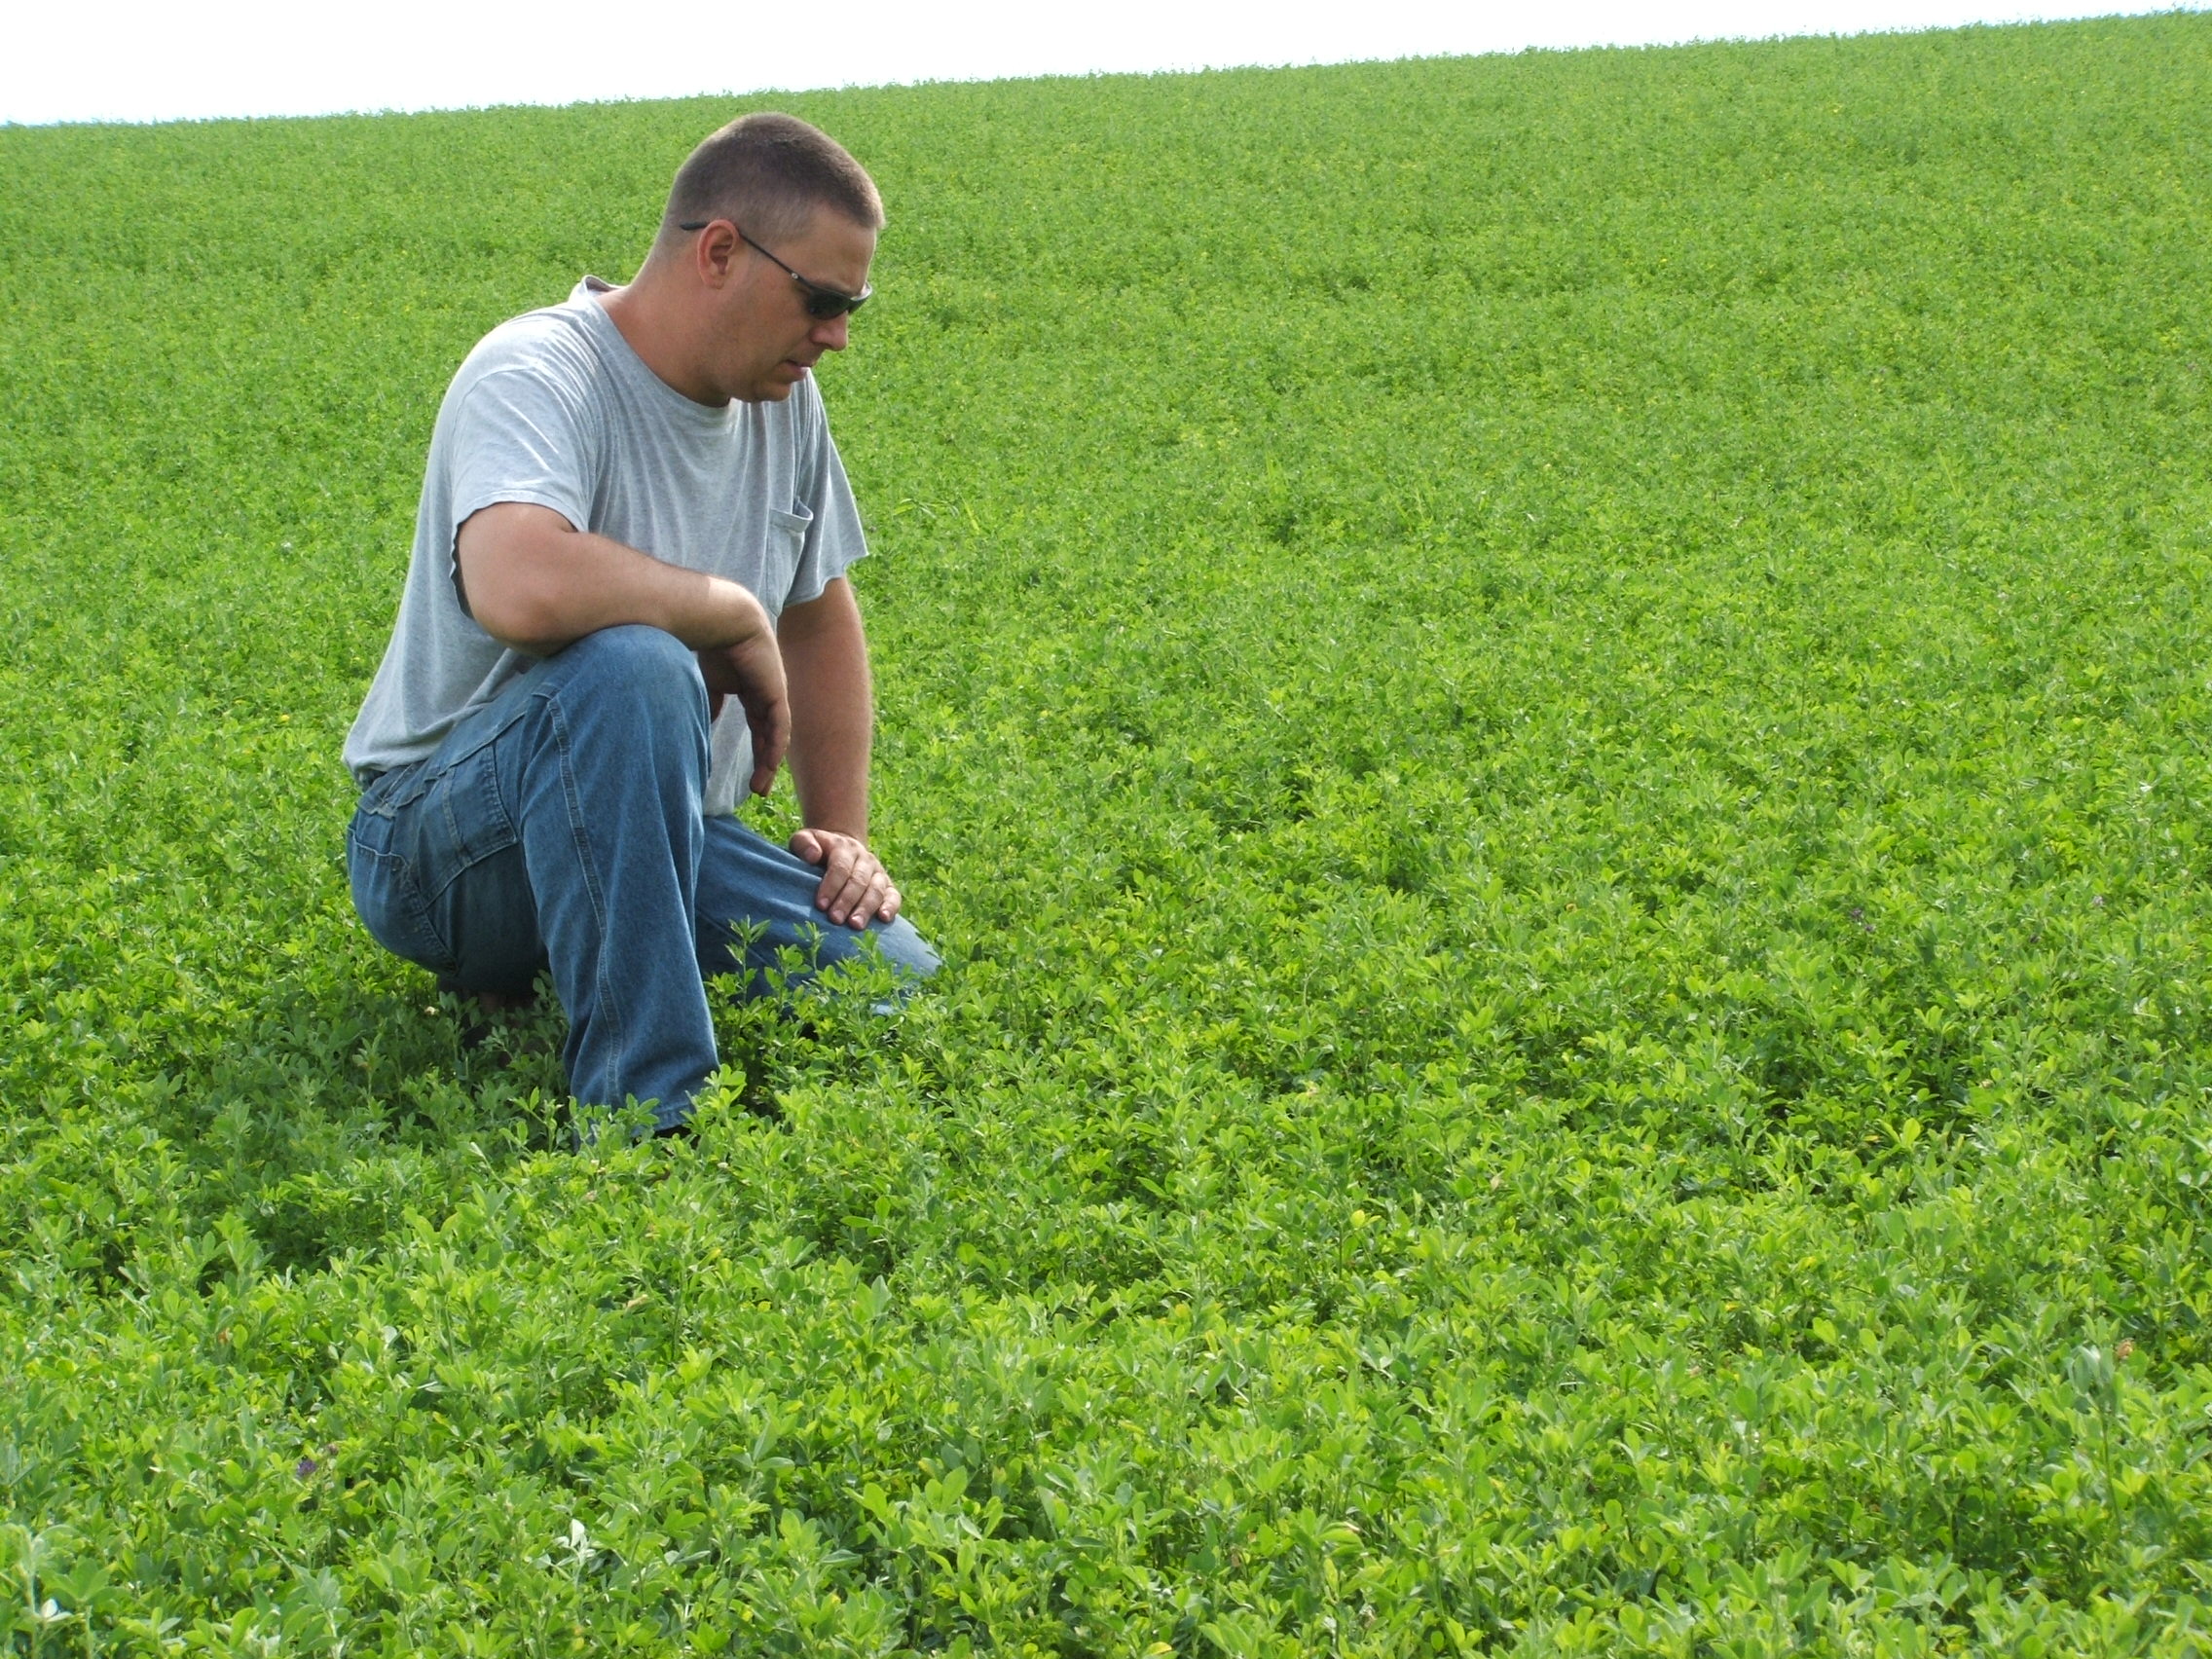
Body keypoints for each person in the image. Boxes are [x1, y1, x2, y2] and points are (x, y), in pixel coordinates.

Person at [342, 112, 938, 1135]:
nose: (837, 334)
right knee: (634, 666)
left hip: (660, 836)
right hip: (436, 853)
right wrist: (719, 609)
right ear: (719, 252)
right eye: (824, 300)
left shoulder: (782, 403)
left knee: (884, 982)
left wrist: (841, 837)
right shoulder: (537, 372)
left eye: (854, 307)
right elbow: (515, 581)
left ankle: (547, 976)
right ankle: (645, 1118)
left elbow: (818, 612)